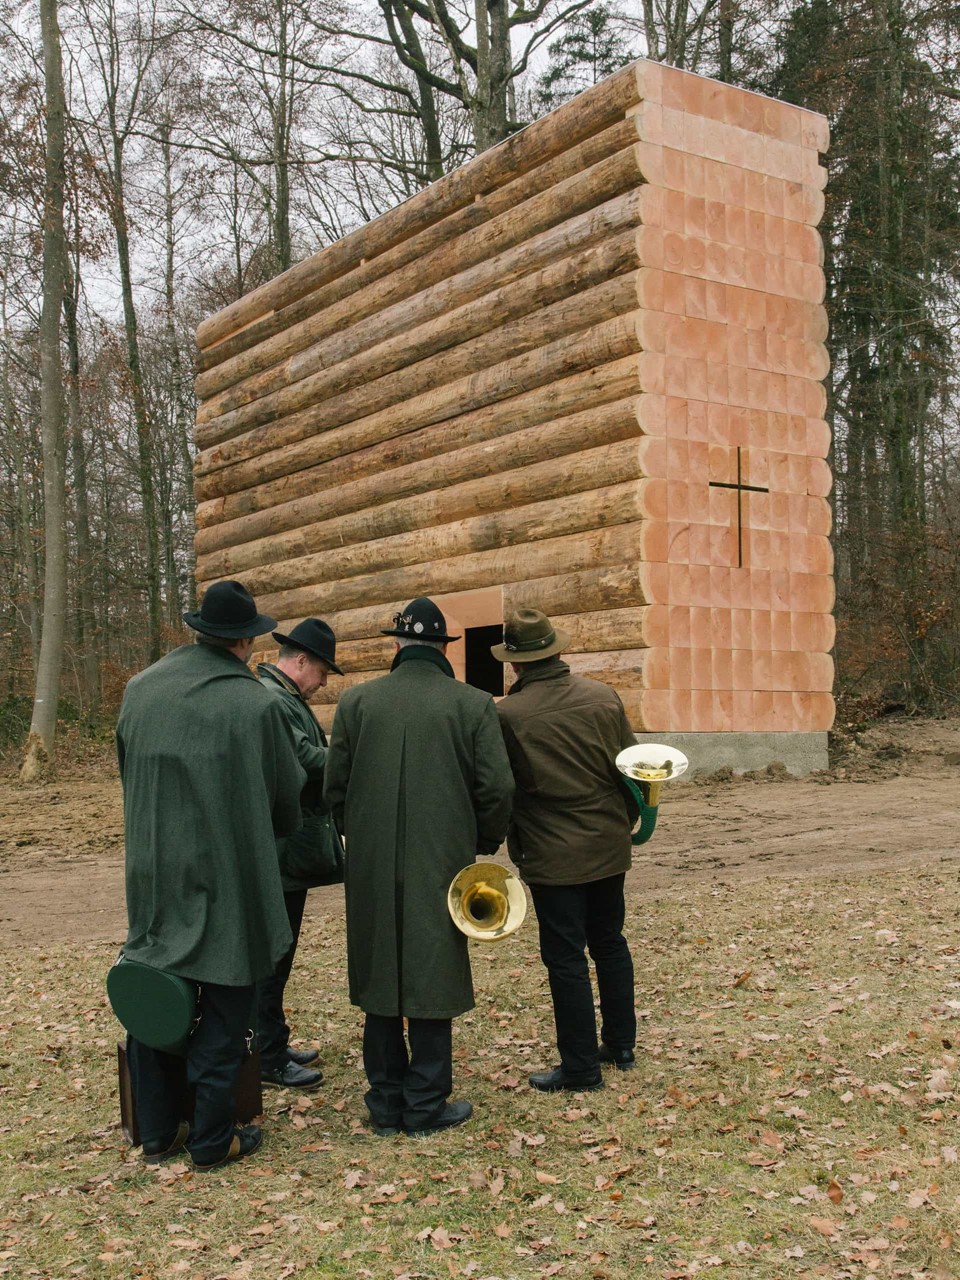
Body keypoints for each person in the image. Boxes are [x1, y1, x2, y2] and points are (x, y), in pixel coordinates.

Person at [116, 580, 306, 1171]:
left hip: (152, 870)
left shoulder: (139, 690)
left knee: (156, 989)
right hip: (225, 874)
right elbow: (286, 802)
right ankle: (211, 1138)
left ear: (199, 630)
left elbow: (126, 771)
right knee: (227, 1000)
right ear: (247, 639)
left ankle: (156, 1131)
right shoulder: (255, 705)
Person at [324, 597, 514, 1137]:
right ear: (444, 650)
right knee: (433, 965)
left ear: (398, 646)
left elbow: (333, 788)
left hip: (371, 860)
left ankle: (386, 1102)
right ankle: (427, 1103)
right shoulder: (473, 703)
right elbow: (497, 787)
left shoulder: (357, 704)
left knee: (381, 964)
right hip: (444, 857)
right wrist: (480, 838)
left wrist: (357, 830)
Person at [491, 607, 639, 1093]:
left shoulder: (506, 714)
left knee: (567, 959)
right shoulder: (603, 697)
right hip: (608, 843)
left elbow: (503, 787)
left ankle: (580, 1069)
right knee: (610, 941)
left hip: (552, 855)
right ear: (557, 651)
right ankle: (620, 1045)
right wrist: (624, 821)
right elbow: (632, 768)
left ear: (515, 664)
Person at [256, 618, 345, 1091]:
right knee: (275, 956)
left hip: (288, 847)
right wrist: (350, 757)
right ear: (301, 661)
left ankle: (272, 1042)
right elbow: (305, 760)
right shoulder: (275, 700)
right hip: (282, 850)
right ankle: (267, 1057)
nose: (325, 682)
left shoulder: (285, 698)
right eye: (323, 671)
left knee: (281, 955)